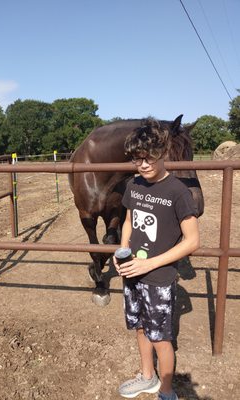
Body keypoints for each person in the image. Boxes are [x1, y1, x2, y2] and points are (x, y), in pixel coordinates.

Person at [113, 118, 200, 400]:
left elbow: (192, 241)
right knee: (139, 328)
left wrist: (150, 263)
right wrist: (121, 249)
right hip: (132, 273)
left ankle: (166, 391)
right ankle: (147, 377)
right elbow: (129, 221)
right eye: (138, 159)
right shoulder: (134, 185)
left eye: (150, 157)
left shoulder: (178, 192)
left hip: (158, 278)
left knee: (161, 338)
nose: (144, 164)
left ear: (163, 152)